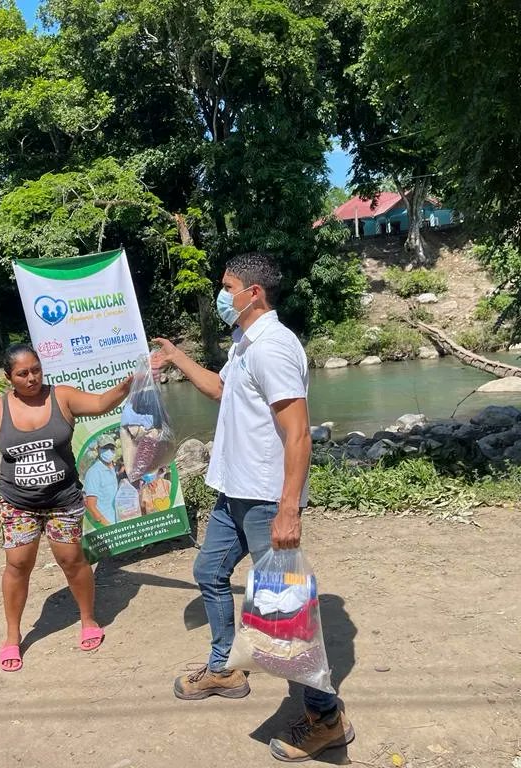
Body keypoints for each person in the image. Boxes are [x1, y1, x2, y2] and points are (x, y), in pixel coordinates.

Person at [152, 252, 354, 762]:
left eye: (227, 286)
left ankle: (326, 717)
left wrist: (290, 509)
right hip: (233, 493)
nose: (223, 294)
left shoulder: (275, 348)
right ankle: (224, 668)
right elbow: (223, 390)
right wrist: (177, 357)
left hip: (266, 500)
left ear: (253, 293)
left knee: (286, 610)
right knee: (209, 571)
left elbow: (298, 433)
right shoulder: (246, 343)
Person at [0, 343, 131, 672]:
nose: (31, 378)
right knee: (17, 564)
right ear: (8, 377)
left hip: (63, 499)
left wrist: (127, 386)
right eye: (22, 373)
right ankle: (13, 636)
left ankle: (87, 619)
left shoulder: (62, 397)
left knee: (72, 560)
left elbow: (99, 404)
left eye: (36, 370)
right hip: (18, 503)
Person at [83, 438, 120, 526]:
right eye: (105, 448)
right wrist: (107, 526)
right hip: (107, 525)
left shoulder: (111, 469)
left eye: (111, 448)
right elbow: (91, 506)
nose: (109, 451)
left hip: (117, 520)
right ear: (98, 449)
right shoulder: (94, 472)